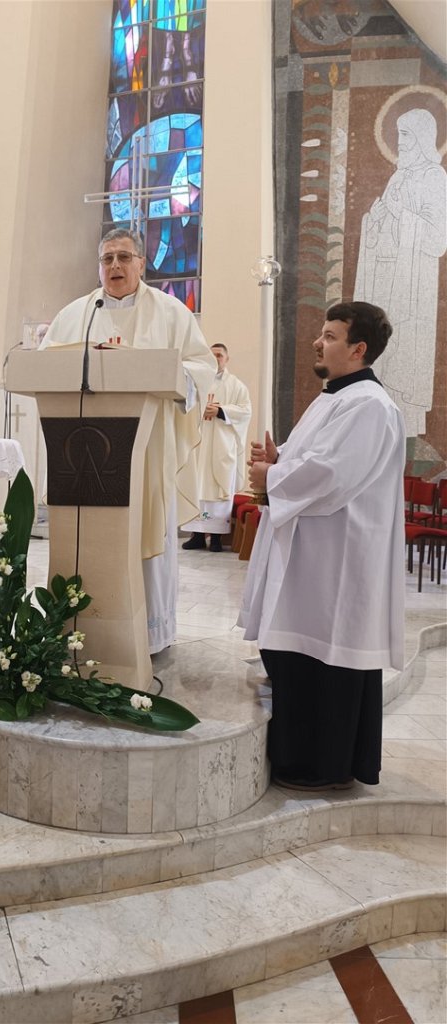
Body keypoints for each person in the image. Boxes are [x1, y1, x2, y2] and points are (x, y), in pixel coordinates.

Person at [237, 301, 405, 791]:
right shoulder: (334, 397)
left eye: (330, 336)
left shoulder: (369, 405)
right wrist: (280, 459)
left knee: (324, 661)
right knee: (301, 659)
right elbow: (313, 459)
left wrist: (272, 476)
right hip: (314, 556)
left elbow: (332, 475)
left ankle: (320, 766)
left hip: (337, 561)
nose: (318, 341)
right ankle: (301, 759)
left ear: (358, 349)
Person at [41, 228, 216, 653]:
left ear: (141, 264)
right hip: (84, 450)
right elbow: (46, 365)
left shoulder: (171, 313)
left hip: (149, 448)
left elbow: (201, 365)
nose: (115, 266)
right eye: (107, 259)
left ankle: (150, 635)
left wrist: (163, 373)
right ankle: (85, 630)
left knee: (146, 532)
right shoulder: (77, 314)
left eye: (123, 257)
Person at [354, 108, 447, 436]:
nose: (400, 142)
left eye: (406, 135)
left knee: (402, 353)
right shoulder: (398, 177)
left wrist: (399, 214)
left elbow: (437, 239)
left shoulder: (434, 177)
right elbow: (383, 225)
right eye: (398, 135)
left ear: (422, 138)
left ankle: (401, 429)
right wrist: (374, 220)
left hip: (411, 284)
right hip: (384, 278)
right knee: (380, 352)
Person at [181, 343, 251, 552]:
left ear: (227, 359)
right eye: (212, 355)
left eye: (219, 355)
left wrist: (221, 411)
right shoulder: (196, 382)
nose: (216, 358)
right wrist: (199, 410)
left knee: (218, 488)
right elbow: (182, 405)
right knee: (196, 485)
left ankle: (217, 539)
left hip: (221, 447)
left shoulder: (237, 386)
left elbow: (245, 411)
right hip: (198, 444)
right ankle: (197, 536)